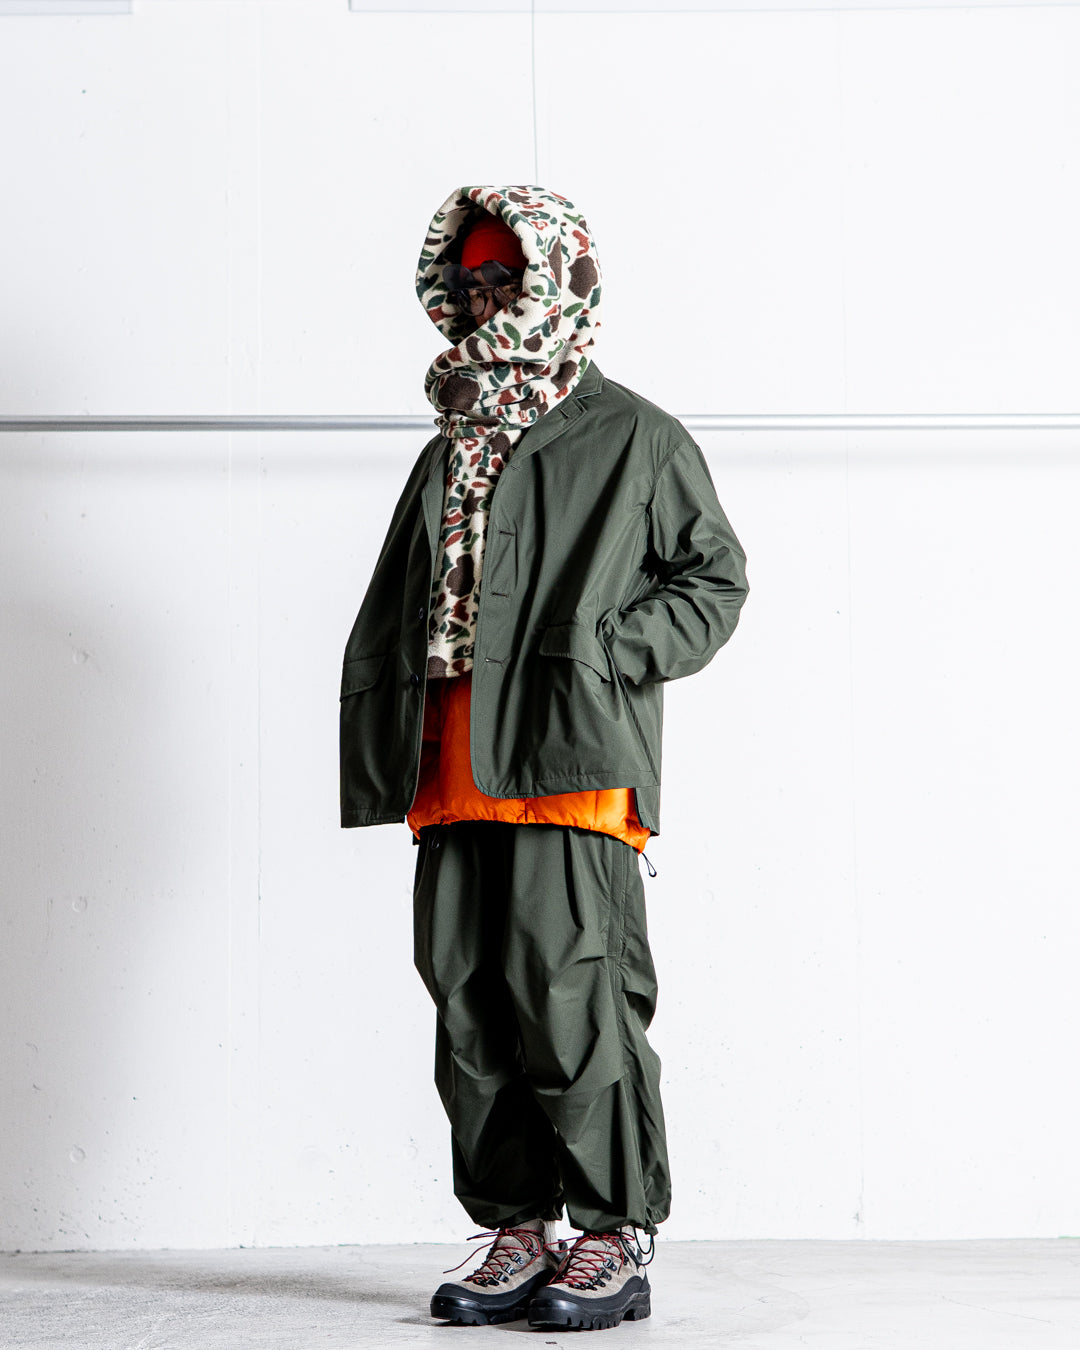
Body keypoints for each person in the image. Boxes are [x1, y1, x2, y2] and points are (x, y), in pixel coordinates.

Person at [338, 184, 749, 1331]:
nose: (483, 303)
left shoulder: (635, 437)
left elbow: (712, 581)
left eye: (505, 281)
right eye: (467, 284)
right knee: (468, 1009)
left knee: (577, 999)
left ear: (557, 282)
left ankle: (615, 1234)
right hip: (450, 767)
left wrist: (607, 652)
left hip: (569, 762)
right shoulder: (451, 441)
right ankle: (518, 1227)